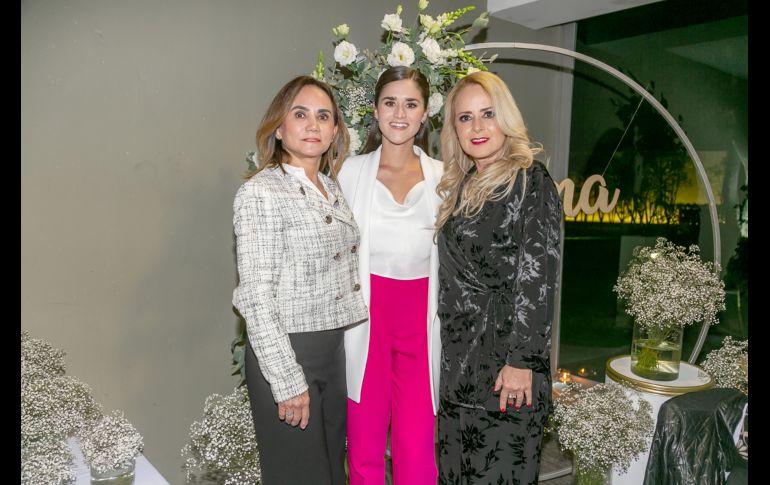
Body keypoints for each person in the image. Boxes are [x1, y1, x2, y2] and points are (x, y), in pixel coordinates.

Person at [232, 75, 368, 485]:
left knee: (330, 473)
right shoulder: (261, 192)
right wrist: (287, 379)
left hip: (331, 349)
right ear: (279, 127)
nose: (313, 125)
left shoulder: (330, 186)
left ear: (334, 131)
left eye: (324, 116)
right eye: (301, 114)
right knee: (299, 476)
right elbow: (255, 296)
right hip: (288, 352)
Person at [434, 71, 563, 484]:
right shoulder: (460, 185)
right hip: (458, 370)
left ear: (505, 117)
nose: (477, 127)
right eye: (465, 117)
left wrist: (522, 361)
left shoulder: (531, 181)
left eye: (487, 114)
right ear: (453, 128)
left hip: (508, 371)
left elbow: (538, 277)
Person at [337, 66, 444, 485]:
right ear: (375, 110)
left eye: (411, 104)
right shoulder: (349, 172)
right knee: (362, 450)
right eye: (390, 102)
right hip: (366, 320)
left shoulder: (443, 177)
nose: (400, 113)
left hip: (421, 322)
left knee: (417, 451)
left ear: (424, 114)